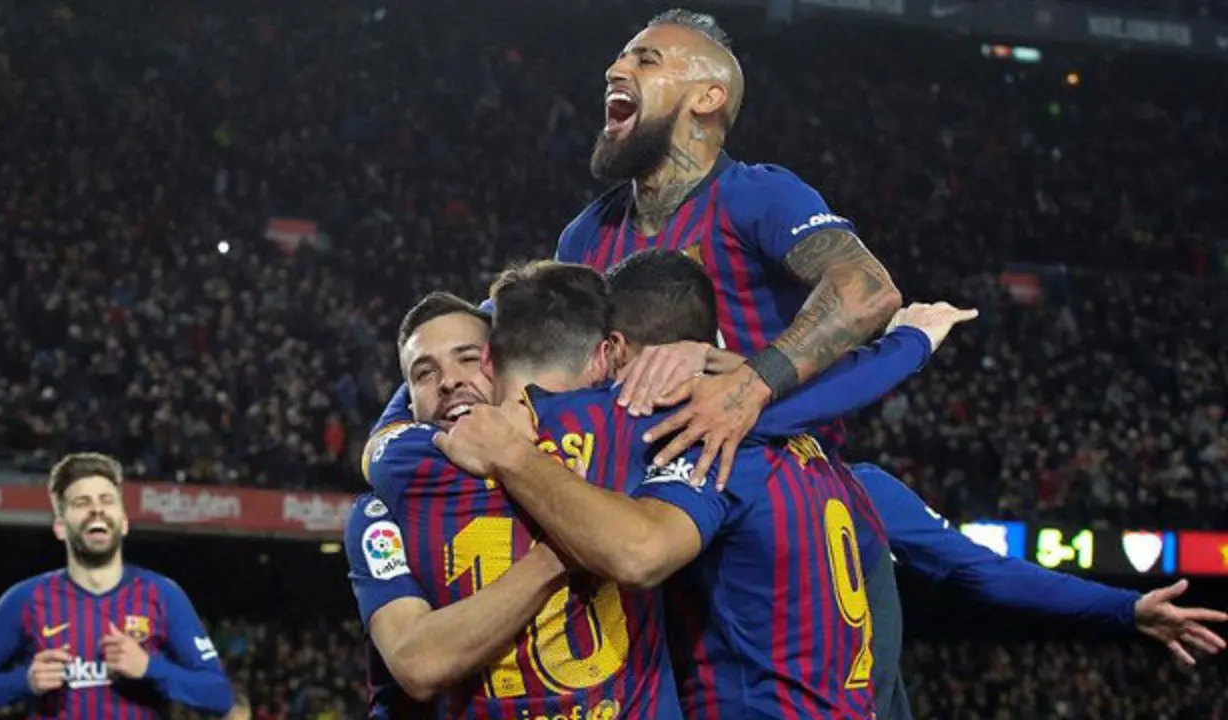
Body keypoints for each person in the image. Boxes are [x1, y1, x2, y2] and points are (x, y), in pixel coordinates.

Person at [431, 259, 970, 719]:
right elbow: (816, 392)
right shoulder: (681, 419)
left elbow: (415, 664)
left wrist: (485, 433)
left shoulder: (429, 451)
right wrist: (911, 341)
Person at [556, 8, 903, 486]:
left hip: (774, 482)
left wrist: (746, 387)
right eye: (620, 59)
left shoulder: (756, 195)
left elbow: (867, 290)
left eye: (647, 61)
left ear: (707, 97)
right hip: (635, 488)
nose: (615, 71)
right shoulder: (585, 234)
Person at [359, 292, 685, 719]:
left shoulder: (606, 442)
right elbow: (417, 663)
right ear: (409, 402)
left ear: (501, 363)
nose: (449, 380)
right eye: (424, 373)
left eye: (468, 358)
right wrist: (568, 547)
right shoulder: (382, 512)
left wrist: (703, 362)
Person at [849, 462, 1228, 719]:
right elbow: (988, 572)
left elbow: (987, 572)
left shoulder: (860, 489)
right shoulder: (859, 488)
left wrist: (1125, 607)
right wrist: (1124, 607)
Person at [0, 452, 244, 720]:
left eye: (107, 500)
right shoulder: (25, 599)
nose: (97, 510)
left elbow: (218, 695)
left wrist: (149, 668)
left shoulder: (163, 594)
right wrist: (24, 681)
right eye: (82, 503)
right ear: (60, 527)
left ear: (124, 521)